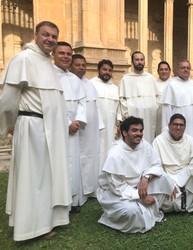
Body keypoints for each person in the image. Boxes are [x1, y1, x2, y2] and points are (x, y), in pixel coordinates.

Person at [0, 21, 70, 241]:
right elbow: (8, 100)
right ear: (36, 35)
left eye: (54, 36)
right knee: (32, 178)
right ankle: (29, 228)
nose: (50, 39)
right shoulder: (23, 59)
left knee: (45, 178)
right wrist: (9, 126)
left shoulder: (46, 62)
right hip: (33, 129)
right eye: (46, 35)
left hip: (48, 130)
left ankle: (45, 222)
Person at [97, 116, 175, 233]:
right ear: (124, 133)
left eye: (141, 130)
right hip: (117, 195)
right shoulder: (115, 154)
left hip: (139, 186)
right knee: (132, 212)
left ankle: (150, 208)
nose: (139, 134)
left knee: (164, 178)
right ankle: (140, 210)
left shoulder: (144, 145)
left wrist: (146, 178)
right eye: (134, 130)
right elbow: (116, 187)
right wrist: (141, 196)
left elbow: (156, 164)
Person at [152, 114, 193, 215]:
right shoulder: (159, 141)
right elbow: (155, 164)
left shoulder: (190, 140)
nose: (178, 127)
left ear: (185, 127)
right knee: (167, 198)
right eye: (175, 124)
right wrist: (168, 182)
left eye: (181, 125)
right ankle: (181, 204)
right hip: (167, 174)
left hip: (186, 173)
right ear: (169, 125)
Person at [53, 42, 87, 211]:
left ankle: (73, 201)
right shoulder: (49, 75)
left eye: (68, 54)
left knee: (73, 163)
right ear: (54, 54)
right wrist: (66, 123)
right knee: (58, 164)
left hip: (73, 128)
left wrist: (77, 122)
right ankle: (59, 202)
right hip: (55, 127)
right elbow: (51, 104)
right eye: (61, 53)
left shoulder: (74, 79)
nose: (65, 57)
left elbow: (82, 102)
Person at [70, 54, 104, 200]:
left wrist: (99, 125)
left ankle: (91, 188)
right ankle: (79, 191)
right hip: (77, 129)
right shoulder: (69, 82)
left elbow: (96, 105)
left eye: (83, 65)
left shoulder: (89, 84)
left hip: (91, 130)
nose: (81, 68)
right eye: (78, 65)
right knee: (78, 158)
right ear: (71, 66)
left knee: (92, 157)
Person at [160, 60, 193, 139]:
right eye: (183, 68)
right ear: (178, 70)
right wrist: (167, 129)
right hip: (177, 127)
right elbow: (166, 111)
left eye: (188, 68)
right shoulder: (171, 86)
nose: (186, 70)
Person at [119, 51, 158, 142]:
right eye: (137, 60)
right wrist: (127, 112)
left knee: (148, 139)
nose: (139, 62)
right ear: (132, 62)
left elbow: (157, 97)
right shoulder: (126, 79)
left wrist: (153, 107)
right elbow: (122, 99)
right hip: (132, 113)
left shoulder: (150, 78)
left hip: (149, 115)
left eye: (141, 59)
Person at [91, 59, 120, 169]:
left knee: (109, 149)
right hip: (96, 125)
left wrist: (118, 125)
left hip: (110, 126)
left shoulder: (115, 88)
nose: (107, 72)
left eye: (109, 70)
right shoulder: (91, 84)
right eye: (104, 69)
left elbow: (118, 109)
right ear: (99, 70)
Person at [155, 61, 172, 136]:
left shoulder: (175, 83)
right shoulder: (153, 84)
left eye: (166, 69)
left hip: (173, 115)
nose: (164, 71)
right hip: (158, 117)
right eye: (161, 70)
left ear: (170, 71)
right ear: (158, 71)